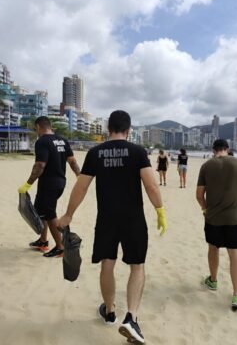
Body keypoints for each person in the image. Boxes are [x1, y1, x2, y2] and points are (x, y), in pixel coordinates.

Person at [57, 110, 167, 344]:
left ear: (109, 129)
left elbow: (82, 187)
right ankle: (132, 317)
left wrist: (68, 214)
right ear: (128, 130)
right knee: (137, 266)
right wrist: (160, 210)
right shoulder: (138, 152)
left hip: (106, 218)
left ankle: (109, 312)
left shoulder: (96, 153)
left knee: (108, 263)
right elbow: (151, 186)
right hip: (133, 219)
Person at [196, 139, 237, 311]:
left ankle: (213, 280)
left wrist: (206, 209)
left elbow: (199, 195)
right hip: (234, 218)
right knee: (234, 253)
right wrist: (235, 195)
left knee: (213, 248)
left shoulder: (206, 166)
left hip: (213, 218)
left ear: (213, 150)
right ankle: (236, 294)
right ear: (227, 149)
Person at [18, 116, 80, 258]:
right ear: (50, 126)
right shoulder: (63, 141)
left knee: (50, 214)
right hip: (60, 182)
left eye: (36, 129)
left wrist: (28, 183)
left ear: (39, 127)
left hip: (49, 184)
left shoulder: (42, 142)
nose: (37, 132)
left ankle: (61, 247)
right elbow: (72, 161)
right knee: (41, 210)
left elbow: (40, 165)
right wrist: (79, 176)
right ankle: (43, 241)